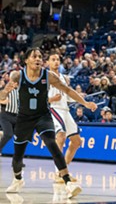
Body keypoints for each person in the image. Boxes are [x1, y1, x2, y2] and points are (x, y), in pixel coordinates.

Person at [0, 48, 97, 198]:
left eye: (40, 56)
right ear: (26, 60)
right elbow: (2, 96)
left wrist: (84, 103)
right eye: (34, 56)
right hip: (24, 118)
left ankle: (68, 182)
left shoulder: (48, 76)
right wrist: (5, 91)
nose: (38, 59)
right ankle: (18, 179)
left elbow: (68, 90)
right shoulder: (17, 75)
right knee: (17, 157)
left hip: (43, 116)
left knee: (52, 143)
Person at [47, 53, 83, 169]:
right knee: (61, 137)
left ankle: (64, 169)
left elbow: (67, 95)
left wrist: (79, 98)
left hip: (65, 109)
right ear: (48, 62)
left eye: (58, 59)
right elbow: (36, 97)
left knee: (77, 141)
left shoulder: (62, 77)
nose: (56, 61)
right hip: (54, 108)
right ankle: (60, 171)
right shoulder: (44, 76)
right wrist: (51, 99)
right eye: (53, 59)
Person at [0, 87, 19, 152]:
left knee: (21, 135)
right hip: (6, 115)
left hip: (17, 116)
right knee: (8, 134)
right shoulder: (5, 90)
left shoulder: (21, 90)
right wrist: (2, 101)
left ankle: (18, 157)